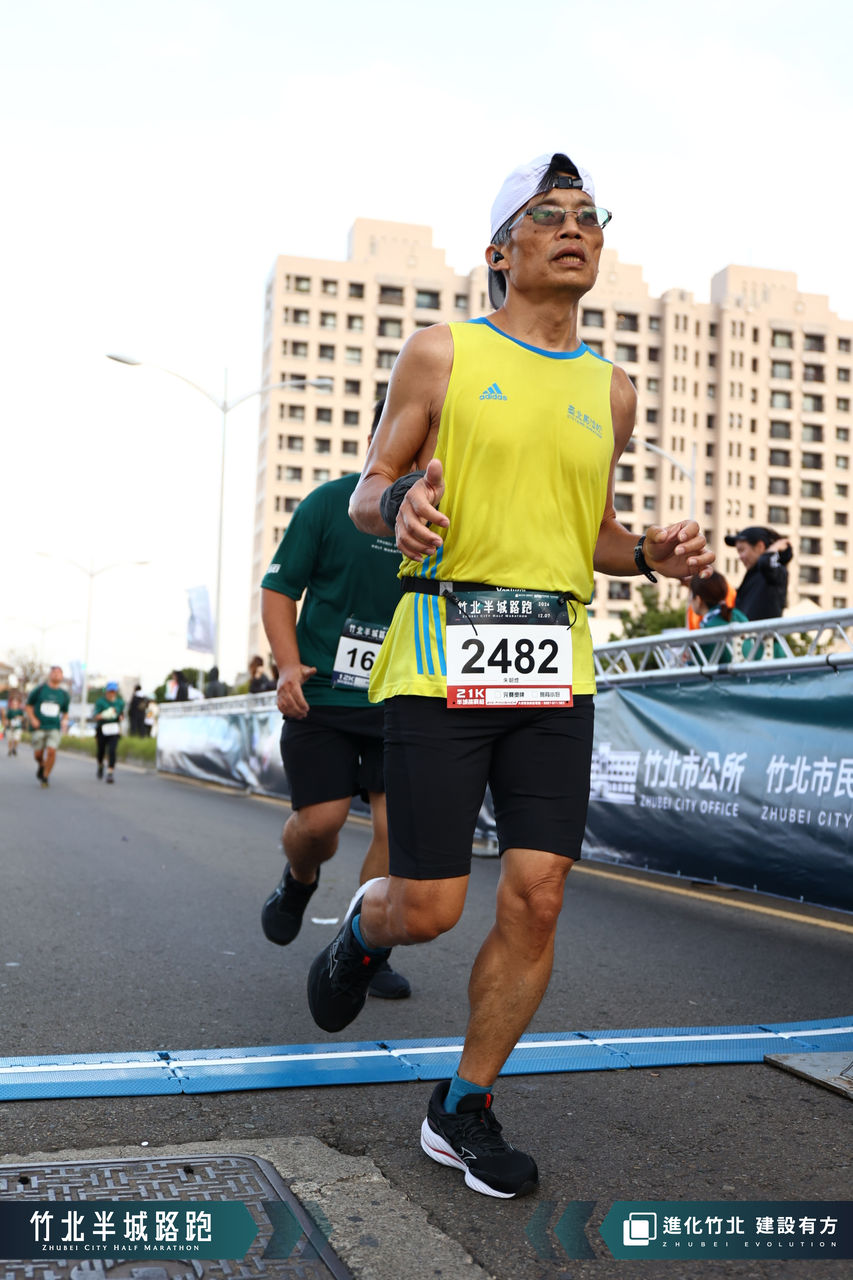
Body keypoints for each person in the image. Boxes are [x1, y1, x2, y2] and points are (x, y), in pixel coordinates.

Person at [307, 150, 714, 1199]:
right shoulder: (442, 353)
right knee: (431, 907)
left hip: (552, 666)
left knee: (537, 894)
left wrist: (651, 555)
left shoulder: (610, 389)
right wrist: (397, 506)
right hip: (441, 653)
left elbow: (594, 534)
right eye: (547, 213)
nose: (574, 227)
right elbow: (368, 488)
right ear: (500, 250)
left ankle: (463, 1104)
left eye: (588, 214)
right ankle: (363, 930)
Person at [259, 402, 410, 999]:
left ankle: (363, 947)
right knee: (320, 826)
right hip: (323, 696)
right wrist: (287, 666)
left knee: (396, 834)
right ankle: (299, 879)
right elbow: (279, 589)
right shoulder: (328, 504)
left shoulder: (451, 516)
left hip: (403, 699)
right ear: (378, 436)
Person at [724, 526, 792, 621]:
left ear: (760, 546)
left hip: (762, 630)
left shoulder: (776, 571)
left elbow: (766, 564)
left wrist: (776, 547)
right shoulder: (752, 576)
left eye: (742, 550)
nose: (740, 557)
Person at [26, 665, 71, 788]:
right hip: (39, 726)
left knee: (51, 751)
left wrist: (64, 721)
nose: (56, 674)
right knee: (38, 755)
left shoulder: (64, 694)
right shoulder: (40, 690)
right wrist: (33, 719)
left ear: (62, 676)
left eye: (59, 672)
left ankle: (45, 776)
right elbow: (28, 706)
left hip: (54, 727)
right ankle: (42, 764)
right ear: (50, 675)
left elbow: (65, 712)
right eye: (54, 672)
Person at [689, 572, 749, 663]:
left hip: (730, 672)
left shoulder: (708, 629)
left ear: (698, 599)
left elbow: (699, 664)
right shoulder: (738, 615)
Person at [92, 681, 125, 782]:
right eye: (110, 691)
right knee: (101, 751)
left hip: (114, 729)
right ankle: (100, 765)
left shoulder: (120, 702)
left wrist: (120, 717)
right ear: (106, 691)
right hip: (102, 729)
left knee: (112, 750)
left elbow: (122, 714)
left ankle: (110, 772)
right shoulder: (100, 702)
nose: (112, 693)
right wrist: (105, 715)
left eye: (113, 691)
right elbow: (95, 715)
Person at [3, 692, 25, 756]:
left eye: (16, 703)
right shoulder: (10, 711)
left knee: (16, 739)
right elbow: (7, 719)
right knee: (10, 739)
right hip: (10, 727)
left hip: (17, 727)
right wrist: (7, 725)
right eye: (13, 703)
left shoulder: (20, 711)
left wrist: (19, 717)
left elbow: (23, 718)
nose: (14, 704)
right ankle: (10, 749)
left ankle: (14, 748)